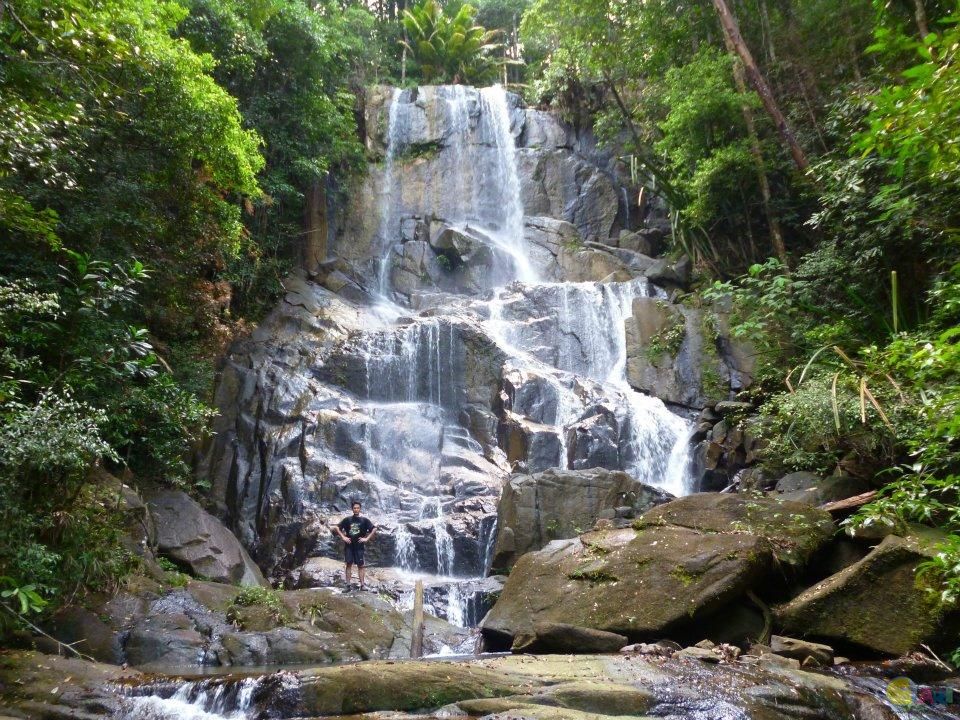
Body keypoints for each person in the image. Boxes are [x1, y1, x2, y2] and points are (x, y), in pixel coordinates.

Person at [334, 500, 376, 588]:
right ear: (352, 509)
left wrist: (367, 538)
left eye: (358, 508)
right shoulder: (347, 520)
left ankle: (362, 585)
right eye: (354, 508)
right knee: (348, 564)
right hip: (349, 546)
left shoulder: (364, 520)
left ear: (360, 509)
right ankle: (348, 585)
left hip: (359, 546)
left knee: (361, 565)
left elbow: (374, 528)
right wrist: (343, 537)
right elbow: (337, 527)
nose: (356, 509)